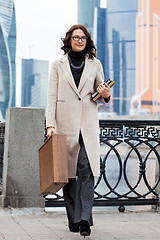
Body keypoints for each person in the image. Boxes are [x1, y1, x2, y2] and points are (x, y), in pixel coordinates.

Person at [46, 24, 110, 237]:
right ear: (69, 40)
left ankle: (84, 220)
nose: (80, 41)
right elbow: (51, 97)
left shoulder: (95, 64)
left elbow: (103, 95)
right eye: (76, 37)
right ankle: (73, 218)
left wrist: (105, 92)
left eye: (83, 37)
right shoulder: (58, 64)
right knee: (69, 175)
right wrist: (50, 125)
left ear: (87, 40)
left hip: (88, 125)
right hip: (65, 125)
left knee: (86, 169)